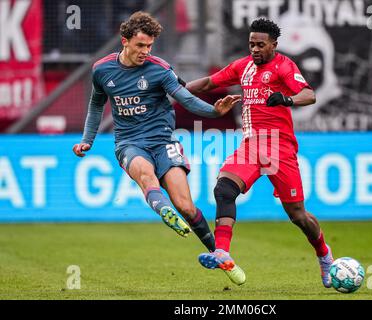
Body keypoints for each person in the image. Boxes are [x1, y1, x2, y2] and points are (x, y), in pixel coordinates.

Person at [72, 12, 241, 269]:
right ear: (124, 41)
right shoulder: (102, 70)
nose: (145, 51)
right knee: (145, 173)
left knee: (185, 205)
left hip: (163, 142)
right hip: (129, 142)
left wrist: (214, 112)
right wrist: (87, 140)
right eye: (140, 45)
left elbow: (185, 98)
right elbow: (96, 106)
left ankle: (219, 254)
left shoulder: (159, 69)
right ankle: (163, 211)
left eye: (149, 46)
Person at [186, 18, 334, 288]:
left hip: (280, 147)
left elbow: (308, 94)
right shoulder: (242, 67)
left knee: (298, 216)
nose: (254, 49)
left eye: (260, 45)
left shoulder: (284, 66)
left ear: (274, 45)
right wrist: (175, 89)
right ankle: (221, 251)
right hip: (252, 144)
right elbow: (209, 82)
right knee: (223, 189)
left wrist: (287, 99)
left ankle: (324, 255)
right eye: (251, 44)